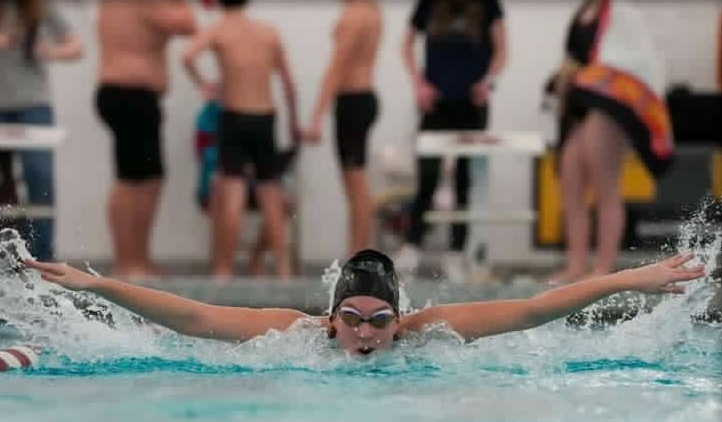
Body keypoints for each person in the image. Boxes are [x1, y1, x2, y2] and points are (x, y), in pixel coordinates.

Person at [24, 248, 705, 356]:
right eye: (353, 318)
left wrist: (625, 279)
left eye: (381, 320)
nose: (367, 334)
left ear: (399, 317)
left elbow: (534, 307)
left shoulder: (424, 333)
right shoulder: (298, 333)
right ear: (332, 315)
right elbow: (197, 316)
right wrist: (100, 284)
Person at [547, 0, 674, 285]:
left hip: (607, 108)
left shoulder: (624, 15)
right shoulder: (581, 12)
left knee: (606, 186)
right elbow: (574, 58)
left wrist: (589, 76)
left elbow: (638, 63)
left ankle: (603, 268)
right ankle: (576, 264)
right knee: (571, 182)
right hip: (579, 108)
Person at [183, 0, 300, 279]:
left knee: (232, 190)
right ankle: (284, 271)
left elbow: (187, 56)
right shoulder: (268, 31)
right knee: (270, 192)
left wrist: (205, 85)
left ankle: (224, 269)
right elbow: (288, 83)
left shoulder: (219, 29)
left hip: (234, 115)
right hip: (264, 117)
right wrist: (294, 124)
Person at [394, 0, 507, 282]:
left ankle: (457, 251)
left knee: (464, 179)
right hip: (436, 102)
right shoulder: (428, 5)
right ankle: (412, 245)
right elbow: (406, 44)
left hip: (472, 103)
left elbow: (502, 50)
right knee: (427, 177)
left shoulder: (488, 6)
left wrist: (489, 82)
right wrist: (418, 83)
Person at [95, 0, 197, 278]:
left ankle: (135, 260)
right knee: (133, 182)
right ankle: (129, 264)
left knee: (145, 181)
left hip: (129, 96)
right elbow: (187, 23)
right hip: (130, 96)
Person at [0, 0, 83, 261]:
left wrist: (47, 51)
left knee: (39, 176)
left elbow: (76, 47)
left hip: (34, 104)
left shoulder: (41, 8)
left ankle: (43, 254)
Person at [303, 0, 383, 256]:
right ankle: (357, 253)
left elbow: (337, 67)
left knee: (355, 183)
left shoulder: (353, 15)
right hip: (362, 99)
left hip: (353, 102)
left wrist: (317, 117)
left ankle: (357, 256)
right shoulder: (372, 11)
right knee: (356, 182)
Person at [194, 99, 298, 276]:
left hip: (254, 182)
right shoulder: (214, 114)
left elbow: (271, 162)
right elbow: (206, 153)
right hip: (226, 180)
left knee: (281, 200)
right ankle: (222, 266)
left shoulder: (262, 117)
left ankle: (259, 256)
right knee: (224, 191)